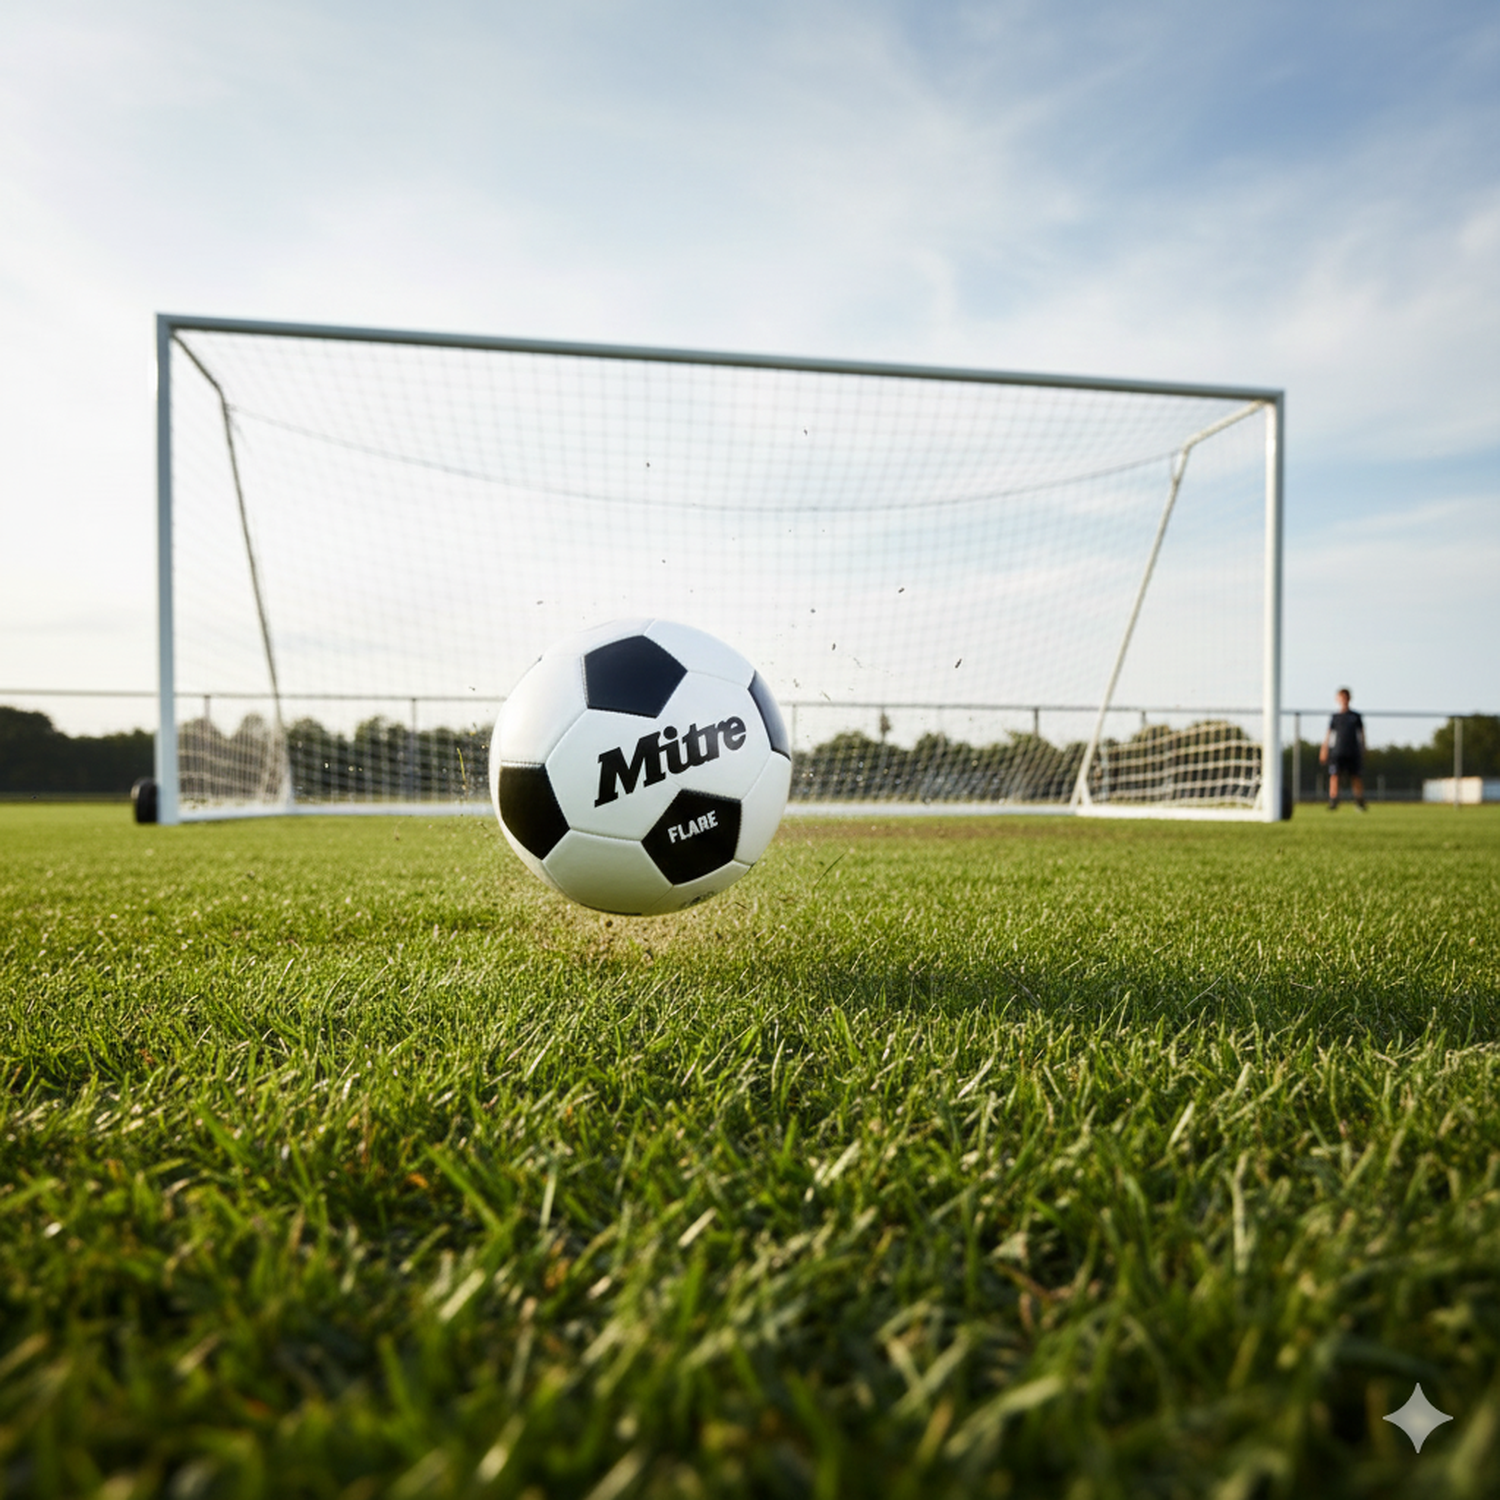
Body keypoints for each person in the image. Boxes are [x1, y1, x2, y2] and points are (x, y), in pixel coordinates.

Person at [1320, 687, 1366, 810]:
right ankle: (1333, 801)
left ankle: (1359, 802)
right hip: (1338, 751)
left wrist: (1363, 748)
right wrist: (1324, 749)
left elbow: (1361, 733)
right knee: (1334, 776)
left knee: (1356, 777)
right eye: (1341, 697)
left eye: (1345, 697)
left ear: (1349, 699)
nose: (1343, 700)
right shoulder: (1335, 717)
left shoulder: (1355, 716)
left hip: (1353, 751)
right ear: (1337, 699)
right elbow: (1329, 734)